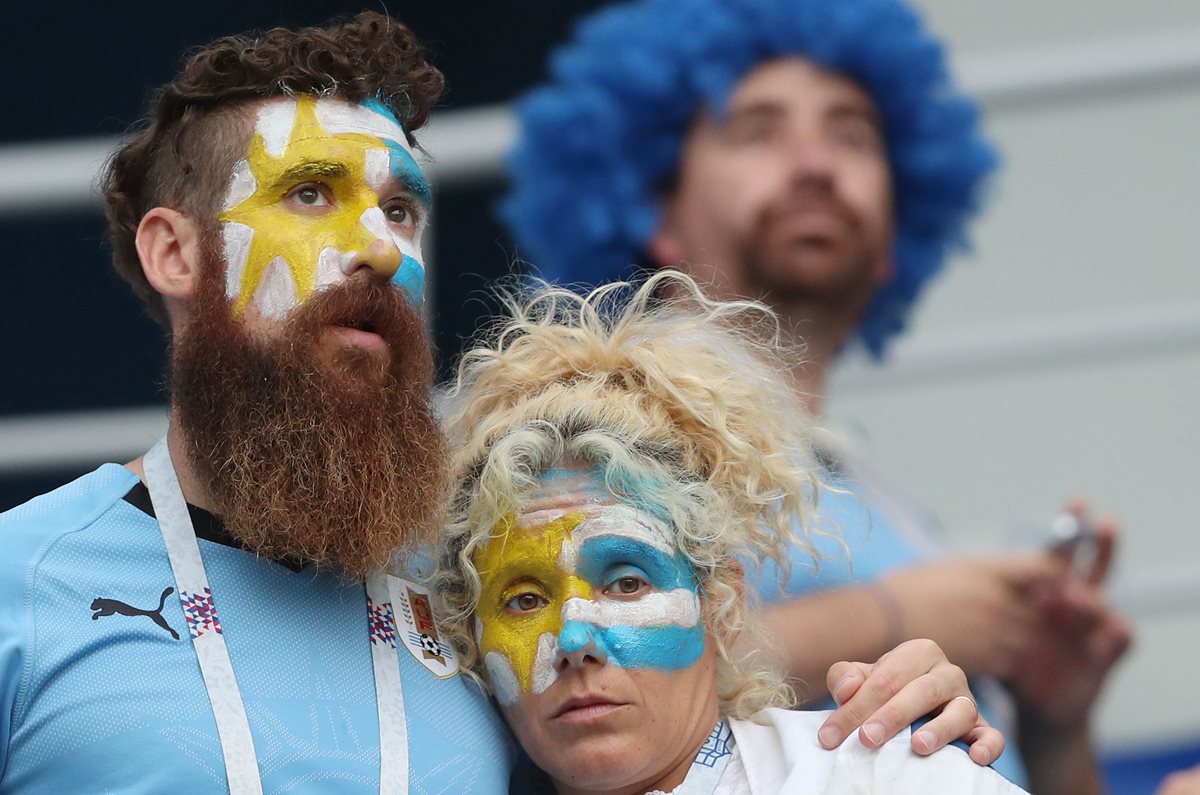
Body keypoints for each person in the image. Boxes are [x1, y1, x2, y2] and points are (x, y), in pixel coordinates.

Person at [0, 11, 1003, 793]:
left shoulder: (479, 592)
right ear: (172, 250)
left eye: (401, 210)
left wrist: (907, 729)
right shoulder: (21, 585)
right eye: (311, 193)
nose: (379, 247)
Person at [502, 0, 1132, 790]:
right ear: (651, 209)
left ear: (894, 244)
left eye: (853, 136)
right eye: (758, 130)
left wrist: (1051, 719)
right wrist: (899, 616)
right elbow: (566, 661)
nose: (815, 164)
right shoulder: (577, 434)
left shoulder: (887, 500)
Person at [435, 271, 1025, 793]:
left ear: (721, 604)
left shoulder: (879, 778)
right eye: (525, 599)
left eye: (627, 582)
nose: (574, 639)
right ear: (474, 646)